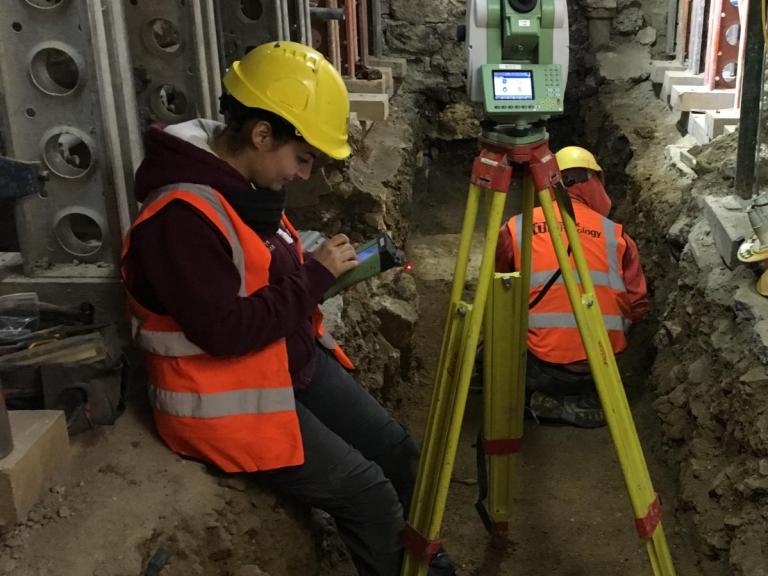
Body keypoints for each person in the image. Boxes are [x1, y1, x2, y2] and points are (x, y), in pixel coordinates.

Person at [121, 41, 453, 576]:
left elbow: (263, 278)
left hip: (283, 362)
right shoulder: (179, 219)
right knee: (368, 493)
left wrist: (315, 275)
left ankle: (424, 562)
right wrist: (315, 275)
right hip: (226, 401)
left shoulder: (243, 188)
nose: (304, 175)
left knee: (398, 452)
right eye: (302, 158)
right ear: (261, 134)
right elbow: (225, 330)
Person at [495, 146, 648, 428]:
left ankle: (534, 399)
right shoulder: (617, 235)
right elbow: (637, 304)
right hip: (599, 367)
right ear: (594, 182)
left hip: (538, 367)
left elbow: (500, 290)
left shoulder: (516, 227)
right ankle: (586, 400)